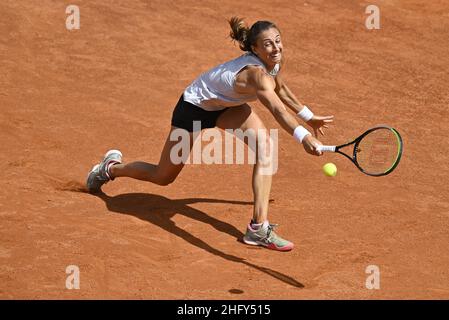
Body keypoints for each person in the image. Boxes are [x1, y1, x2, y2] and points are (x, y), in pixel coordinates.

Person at [87, 17, 333, 252]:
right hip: (194, 108)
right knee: (163, 176)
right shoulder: (256, 75)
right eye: (268, 44)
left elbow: (282, 88)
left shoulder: (273, 63)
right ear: (256, 49)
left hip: (226, 107)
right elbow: (276, 107)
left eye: (278, 40)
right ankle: (110, 168)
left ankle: (258, 228)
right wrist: (303, 136)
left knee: (265, 147)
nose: (276, 47)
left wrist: (308, 116)